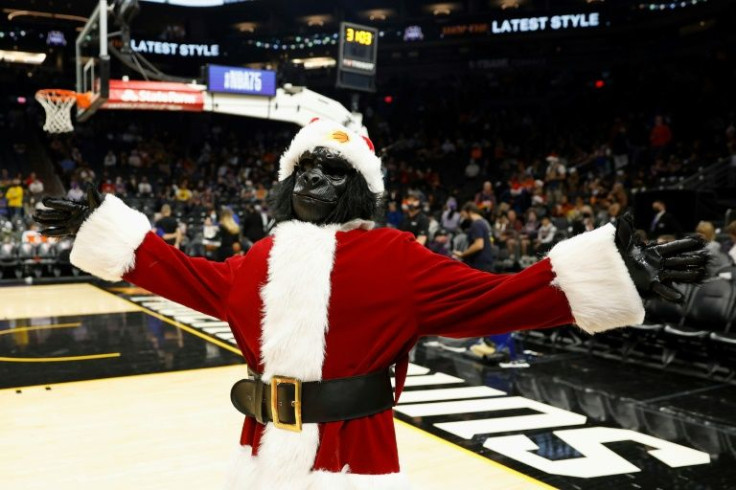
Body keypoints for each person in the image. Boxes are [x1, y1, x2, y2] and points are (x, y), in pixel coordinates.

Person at [35, 119, 706, 489]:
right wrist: (103, 220)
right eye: (307, 169)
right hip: (260, 448)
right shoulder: (260, 260)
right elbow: (186, 276)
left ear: (360, 189)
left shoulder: (397, 258)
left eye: (335, 171)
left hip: (353, 458)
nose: (317, 180)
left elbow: (501, 299)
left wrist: (618, 269)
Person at [453, 202, 495, 272]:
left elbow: (479, 245)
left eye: (463, 213)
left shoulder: (476, 224)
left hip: (479, 265)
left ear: (468, 211)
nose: (462, 215)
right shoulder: (484, 222)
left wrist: (463, 254)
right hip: (486, 263)